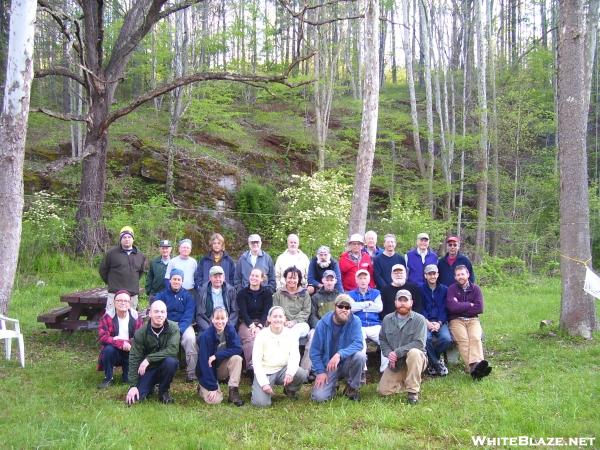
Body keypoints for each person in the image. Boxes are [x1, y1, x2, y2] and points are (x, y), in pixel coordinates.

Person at [310, 294, 366, 402]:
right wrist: (320, 372)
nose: (344, 310)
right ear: (335, 306)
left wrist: (340, 354)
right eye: (341, 306)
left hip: (346, 362)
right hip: (329, 365)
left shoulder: (355, 321)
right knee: (319, 398)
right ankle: (332, 386)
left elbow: (358, 343)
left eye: (347, 307)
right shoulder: (322, 324)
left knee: (360, 356)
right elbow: (314, 352)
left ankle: (352, 388)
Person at [377, 289, 428, 405]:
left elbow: (419, 343)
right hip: (397, 363)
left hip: (416, 359)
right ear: (395, 302)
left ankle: (413, 392)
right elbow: (382, 339)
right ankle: (406, 380)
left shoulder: (419, 319)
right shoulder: (387, 319)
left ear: (411, 302)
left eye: (406, 300)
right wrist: (389, 353)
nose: (403, 303)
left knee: (414, 353)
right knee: (383, 391)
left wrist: (397, 352)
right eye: (400, 300)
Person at [251, 306, 308, 407]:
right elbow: (256, 362)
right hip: (266, 372)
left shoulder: (290, 334)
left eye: (280, 316)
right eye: (275, 316)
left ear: (285, 319)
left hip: (283, 370)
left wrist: (290, 373)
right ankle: (259, 388)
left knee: (301, 374)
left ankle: (290, 390)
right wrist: (264, 383)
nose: (278, 319)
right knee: (260, 404)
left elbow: (294, 356)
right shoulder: (261, 336)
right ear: (269, 319)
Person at [125, 300, 180, 405]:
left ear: (166, 314)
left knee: (171, 362)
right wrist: (133, 386)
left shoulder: (173, 328)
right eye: (156, 312)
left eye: (162, 312)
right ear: (150, 313)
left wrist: (149, 359)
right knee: (136, 399)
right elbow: (134, 358)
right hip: (147, 370)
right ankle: (150, 387)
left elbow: (172, 350)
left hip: (165, 366)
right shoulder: (141, 333)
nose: (160, 315)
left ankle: (163, 391)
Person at [446, 265, 492, 380]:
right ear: (455, 277)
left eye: (462, 274)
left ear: (468, 275)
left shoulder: (475, 289)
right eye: (458, 275)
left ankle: (474, 369)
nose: (460, 277)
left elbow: (479, 308)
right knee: (463, 341)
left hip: (473, 320)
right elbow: (452, 308)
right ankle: (476, 367)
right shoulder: (451, 289)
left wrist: (460, 305)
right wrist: (469, 304)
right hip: (456, 320)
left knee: (475, 338)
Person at [154, 269, 197, 382]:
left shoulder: (188, 296)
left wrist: (179, 329)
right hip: (166, 324)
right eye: (174, 279)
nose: (176, 281)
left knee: (191, 339)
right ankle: (161, 371)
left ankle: (191, 373)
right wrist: (168, 326)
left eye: (179, 279)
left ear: (182, 281)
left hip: (184, 325)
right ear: (170, 280)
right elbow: (158, 311)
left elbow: (189, 315)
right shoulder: (161, 295)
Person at [196, 307, 244, 406]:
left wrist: (217, 356)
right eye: (217, 318)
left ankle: (233, 392)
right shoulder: (206, 336)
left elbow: (238, 348)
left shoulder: (230, 329)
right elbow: (204, 364)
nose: (220, 322)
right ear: (212, 319)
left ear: (227, 319)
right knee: (215, 400)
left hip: (221, 367)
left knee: (237, 359)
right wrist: (212, 387)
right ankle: (202, 387)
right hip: (207, 370)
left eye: (223, 318)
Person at [97, 290, 143, 389]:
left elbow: (140, 338)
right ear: (114, 302)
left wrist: (128, 344)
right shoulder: (107, 317)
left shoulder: (136, 317)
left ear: (130, 303)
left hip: (130, 350)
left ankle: (127, 374)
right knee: (108, 350)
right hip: (114, 351)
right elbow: (102, 337)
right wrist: (120, 343)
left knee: (128, 380)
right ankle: (108, 378)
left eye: (126, 301)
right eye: (119, 300)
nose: (122, 303)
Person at [99, 225, 146, 312]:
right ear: (120, 239)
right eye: (124, 237)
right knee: (111, 320)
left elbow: (141, 272)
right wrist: (111, 282)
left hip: (132, 295)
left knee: (131, 321)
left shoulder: (140, 255)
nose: (127, 239)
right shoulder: (111, 253)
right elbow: (103, 270)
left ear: (133, 239)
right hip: (114, 294)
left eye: (129, 237)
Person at [347, 269, 387, 372]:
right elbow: (351, 308)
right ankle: (362, 371)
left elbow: (379, 308)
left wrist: (359, 306)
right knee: (360, 343)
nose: (363, 281)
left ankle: (385, 370)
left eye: (365, 278)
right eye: (360, 278)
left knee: (386, 341)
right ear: (356, 280)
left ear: (368, 280)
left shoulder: (376, 293)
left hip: (375, 325)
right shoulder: (351, 294)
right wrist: (368, 303)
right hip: (358, 325)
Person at [236, 268, 273, 371]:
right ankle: (251, 367)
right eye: (252, 275)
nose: (253, 278)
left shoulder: (267, 293)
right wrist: (252, 325)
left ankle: (267, 366)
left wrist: (260, 326)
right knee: (249, 338)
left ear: (262, 279)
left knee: (265, 337)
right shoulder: (242, 293)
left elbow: (266, 312)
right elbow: (243, 312)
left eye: (257, 276)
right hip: (246, 322)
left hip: (263, 322)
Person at [420, 264, 452, 376]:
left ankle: (433, 362)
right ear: (425, 275)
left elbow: (445, 308)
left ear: (437, 274)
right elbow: (420, 308)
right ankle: (438, 364)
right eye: (430, 274)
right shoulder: (420, 289)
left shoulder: (444, 289)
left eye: (434, 273)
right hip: (425, 321)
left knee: (446, 339)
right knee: (426, 339)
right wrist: (427, 322)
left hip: (440, 321)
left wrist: (439, 323)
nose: (432, 276)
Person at [272, 266, 311, 342]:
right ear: (285, 279)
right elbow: (275, 310)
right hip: (282, 323)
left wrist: (294, 322)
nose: (292, 280)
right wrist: (284, 321)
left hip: (301, 324)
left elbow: (306, 311)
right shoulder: (278, 294)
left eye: (294, 278)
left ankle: (292, 354)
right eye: (289, 278)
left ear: (298, 279)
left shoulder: (305, 294)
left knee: (293, 332)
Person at [196, 265, 238, 332]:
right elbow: (199, 315)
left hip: (226, 323)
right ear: (210, 278)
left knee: (234, 339)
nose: (218, 279)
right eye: (215, 277)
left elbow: (235, 312)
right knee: (203, 339)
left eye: (220, 277)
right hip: (208, 324)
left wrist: (228, 326)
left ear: (224, 277)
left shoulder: (231, 290)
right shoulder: (202, 291)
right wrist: (209, 329)